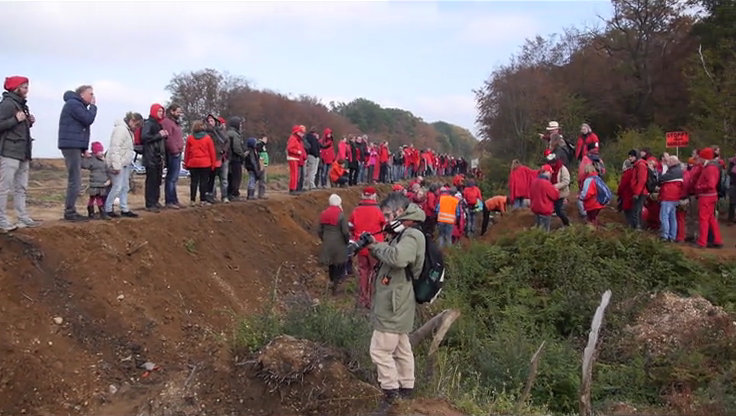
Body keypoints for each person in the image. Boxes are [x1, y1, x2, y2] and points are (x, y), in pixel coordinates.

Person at [364, 193, 426, 410]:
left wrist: (375, 246)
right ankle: (406, 391)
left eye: (390, 215)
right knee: (401, 348)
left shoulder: (412, 235)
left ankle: (390, 394)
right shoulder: (405, 234)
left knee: (380, 350)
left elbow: (399, 259)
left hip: (395, 301)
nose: (388, 220)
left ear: (401, 212)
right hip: (397, 299)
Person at [0, 76, 39, 231]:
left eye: (27, 86)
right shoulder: (8, 104)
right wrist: (15, 120)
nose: (26, 90)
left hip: (22, 152)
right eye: (24, 87)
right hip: (9, 152)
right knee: (4, 187)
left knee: (21, 187)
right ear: (15, 88)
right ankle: (2, 220)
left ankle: (22, 217)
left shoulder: (22, 105)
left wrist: (28, 122)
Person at [58, 85, 97, 222]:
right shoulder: (74, 104)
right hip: (71, 145)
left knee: (76, 179)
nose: (93, 97)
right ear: (81, 94)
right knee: (75, 180)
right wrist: (93, 107)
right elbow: (87, 119)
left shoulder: (76, 104)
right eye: (90, 94)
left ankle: (71, 210)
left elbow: (80, 128)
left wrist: (83, 148)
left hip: (74, 145)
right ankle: (69, 212)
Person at [349, 187, 386, 309]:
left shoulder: (356, 210)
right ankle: (372, 300)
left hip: (360, 248)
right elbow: (384, 225)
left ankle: (363, 298)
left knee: (363, 272)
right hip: (374, 248)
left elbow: (351, 226)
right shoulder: (378, 211)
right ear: (374, 196)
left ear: (363, 196)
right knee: (374, 273)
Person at [105, 112, 142, 218]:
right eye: (136, 125)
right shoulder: (121, 130)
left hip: (125, 163)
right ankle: (107, 208)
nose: (137, 128)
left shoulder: (128, 131)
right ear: (132, 121)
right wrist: (116, 165)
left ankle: (124, 208)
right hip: (118, 163)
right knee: (117, 186)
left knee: (125, 186)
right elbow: (115, 148)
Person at [318, 194, 350, 294]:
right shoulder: (340, 215)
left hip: (327, 241)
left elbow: (319, 230)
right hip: (339, 242)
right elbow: (345, 231)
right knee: (339, 263)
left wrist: (324, 238)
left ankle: (331, 280)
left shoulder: (323, 213)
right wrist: (347, 240)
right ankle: (336, 284)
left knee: (331, 263)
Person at [694, 148, 723, 248]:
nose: (699, 158)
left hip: (706, 196)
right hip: (711, 196)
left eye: (701, 156)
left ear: (704, 157)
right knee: (711, 219)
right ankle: (717, 240)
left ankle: (702, 242)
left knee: (703, 219)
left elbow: (711, 184)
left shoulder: (710, 168)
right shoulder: (711, 166)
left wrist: (699, 187)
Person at [141, 104, 168, 212]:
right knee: (151, 180)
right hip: (150, 156)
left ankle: (155, 201)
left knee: (157, 180)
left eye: (162, 111)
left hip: (157, 156)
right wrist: (159, 135)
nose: (161, 113)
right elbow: (145, 137)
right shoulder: (148, 123)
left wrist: (164, 135)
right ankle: (150, 203)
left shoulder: (158, 124)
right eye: (159, 111)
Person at [183, 120, 216, 206]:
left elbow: (187, 152)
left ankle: (192, 200)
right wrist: (213, 164)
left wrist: (186, 163)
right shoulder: (207, 138)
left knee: (194, 182)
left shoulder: (190, 138)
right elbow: (212, 152)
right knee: (203, 182)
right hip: (205, 163)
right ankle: (202, 200)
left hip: (193, 163)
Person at [161, 104, 184, 209]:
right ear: (172, 111)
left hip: (178, 152)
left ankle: (174, 199)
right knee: (171, 177)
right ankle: (169, 201)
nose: (179, 114)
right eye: (178, 112)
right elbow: (168, 138)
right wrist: (175, 150)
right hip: (173, 153)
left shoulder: (176, 123)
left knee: (175, 178)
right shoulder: (167, 122)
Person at [81, 141, 110, 220]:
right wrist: (83, 157)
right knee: (96, 198)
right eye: (99, 151)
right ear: (95, 152)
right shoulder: (92, 160)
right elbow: (84, 165)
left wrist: (108, 179)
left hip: (102, 184)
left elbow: (107, 170)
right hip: (94, 184)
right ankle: (100, 213)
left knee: (95, 198)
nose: (101, 153)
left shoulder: (104, 161)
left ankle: (93, 212)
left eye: (102, 151)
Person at [658, 155, 684, 242]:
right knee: (672, 217)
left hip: (668, 197)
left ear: (673, 162)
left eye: (669, 161)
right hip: (675, 197)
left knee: (664, 216)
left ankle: (665, 235)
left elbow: (661, 178)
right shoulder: (679, 170)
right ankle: (672, 236)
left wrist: (664, 167)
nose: (667, 163)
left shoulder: (673, 171)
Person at [205, 115, 230, 203]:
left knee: (224, 179)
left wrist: (224, 150)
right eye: (209, 121)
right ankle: (212, 196)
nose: (210, 122)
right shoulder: (206, 133)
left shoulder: (222, 131)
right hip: (212, 158)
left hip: (223, 157)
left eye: (212, 120)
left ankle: (224, 196)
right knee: (212, 179)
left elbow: (227, 142)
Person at [530, 164, 559, 232]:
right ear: (546, 172)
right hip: (545, 210)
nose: (551, 175)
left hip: (536, 209)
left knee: (538, 230)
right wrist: (556, 190)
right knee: (545, 232)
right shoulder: (546, 183)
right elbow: (555, 196)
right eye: (550, 173)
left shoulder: (534, 182)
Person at [547, 153, 571, 226]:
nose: (552, 164)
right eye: (550, 162)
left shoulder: (562, 169)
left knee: (559, 210)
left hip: (561, 193)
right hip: (551, 192)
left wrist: (555, 186)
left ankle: (567, 224)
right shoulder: (549, 169)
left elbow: (566, 181)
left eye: (553, 162)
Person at [226, 116, 245, 201]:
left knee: (229, 177)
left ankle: (229, 193)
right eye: (240, 124)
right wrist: (243, 155)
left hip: (228, 159)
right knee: (236, 177)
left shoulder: (227, 132)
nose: (241, 125)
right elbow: (237, 148)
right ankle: (234, 194)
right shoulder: (235, 134)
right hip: (235, 159)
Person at [629, 150, 649, 229]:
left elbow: (642, 180)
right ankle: (637, 226)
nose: (630, 158)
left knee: (637, 210)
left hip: (640, 192)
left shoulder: (640, 165)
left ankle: (638, 227)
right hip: (639, 191)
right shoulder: (637, 165)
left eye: (631, 156)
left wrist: (637, 193)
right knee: (636, 210)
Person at [287, 125, 306, 194]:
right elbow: (289, 148)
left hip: (295, 158)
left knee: (296, 174)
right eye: (300, 132)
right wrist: (297, 152)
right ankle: (292, 189)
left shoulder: (297, 139)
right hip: (293, 158)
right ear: (297, 132)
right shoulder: (293, 138)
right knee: (294, 174)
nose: (302, 133)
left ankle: (293, 188)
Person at [617, 160, 635, 224]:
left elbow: (622, 185)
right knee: (632, 210)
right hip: (631, 194)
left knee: (628, 211)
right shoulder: (633, 172)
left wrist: (618, 192)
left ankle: (630, 225)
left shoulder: (627, 173)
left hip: (627, 195)